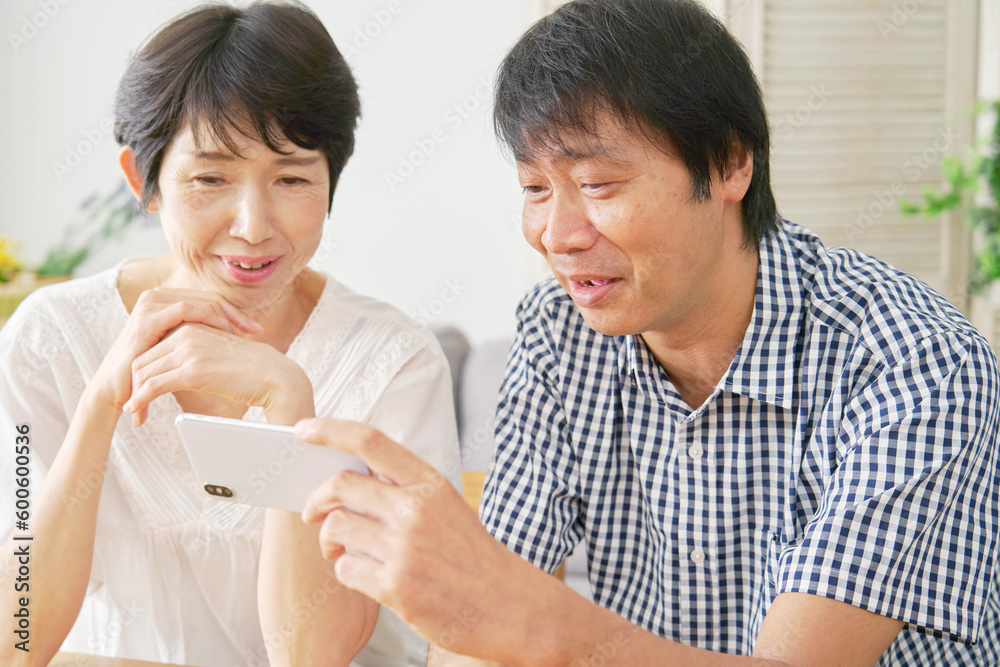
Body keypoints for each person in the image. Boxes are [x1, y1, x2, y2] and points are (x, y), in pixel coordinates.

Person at [297, 0, 1000, 665]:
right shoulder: (559, 330)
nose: (557, 236)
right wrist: (469, 607)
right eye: (535, 189)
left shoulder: (917, 361)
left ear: (730, 164)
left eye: (598, 185)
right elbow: (478, 620)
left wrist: (527, 618)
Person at [0, 3, 461, 666]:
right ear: (143, 181)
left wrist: (289, 402)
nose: (252, 225)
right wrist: (101, 401)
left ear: (332, 180)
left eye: (292, 178)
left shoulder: (394, 360)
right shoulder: (50, 339)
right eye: (210, 178)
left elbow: (312, 656)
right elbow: (16, 641)